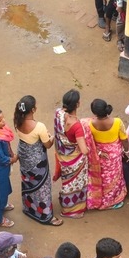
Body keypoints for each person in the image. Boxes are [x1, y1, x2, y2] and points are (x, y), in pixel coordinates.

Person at [12, 95, 60, 227]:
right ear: (33, 109)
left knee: (28, 184)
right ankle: (46, 216)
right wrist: (52, 137)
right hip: (38, 162)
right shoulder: (39, 127)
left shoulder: (17, 122)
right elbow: (47, 145)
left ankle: (29, 209)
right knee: (42, 187)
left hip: (25, 158)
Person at [76, 99, 128, 211]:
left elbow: (88, 141)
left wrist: (99, 152)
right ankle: (112, 200)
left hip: (99, 155)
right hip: (114, 155)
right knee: (114, 178)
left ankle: (99, 199)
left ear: (94, 113)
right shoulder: (118, 122)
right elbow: (124, 139)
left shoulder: (89, 124)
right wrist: (127, 152)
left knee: (102, 178)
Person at [51, 90, 87, 219]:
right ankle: (71, 210)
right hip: (74, 159)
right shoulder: (76, 126)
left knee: (67, 182)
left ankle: (67, 206)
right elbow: (83, 150)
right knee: (74, 184)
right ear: (78, 104)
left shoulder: (58, 113)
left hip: (62, 155)